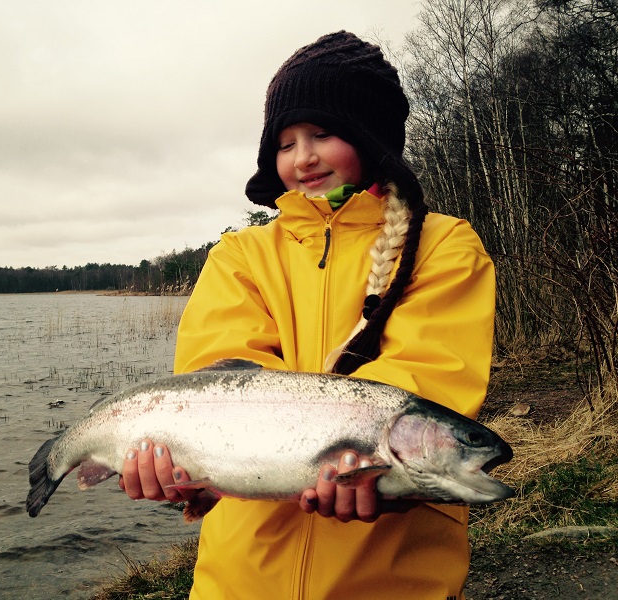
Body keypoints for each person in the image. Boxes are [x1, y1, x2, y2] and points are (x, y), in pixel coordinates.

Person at [119, 31, 495, 599]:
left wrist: (361, 457)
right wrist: (186, 472)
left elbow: (428, 375)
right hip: (241, 580)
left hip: (394, 580)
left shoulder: (443, 245)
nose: (304, 157)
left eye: (323, 133)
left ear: (372, 136)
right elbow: (218, 380)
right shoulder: (240, 256)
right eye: (286, 141)